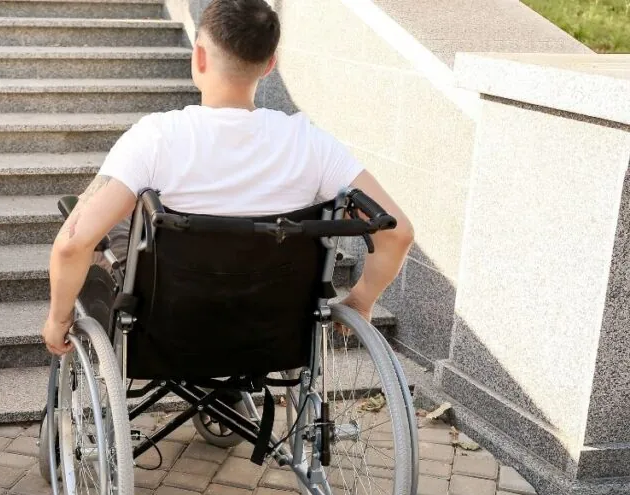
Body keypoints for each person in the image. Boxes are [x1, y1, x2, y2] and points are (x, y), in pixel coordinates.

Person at [42, 0, 414, 356]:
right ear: (271, 64)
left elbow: (72, 245)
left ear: (199, 56)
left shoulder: (154, 138)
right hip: (271, 327)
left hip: (170, 324)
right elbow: (397, 232)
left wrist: (58, 319)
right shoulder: (312, 143)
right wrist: (362, 299)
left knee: (104, 222)